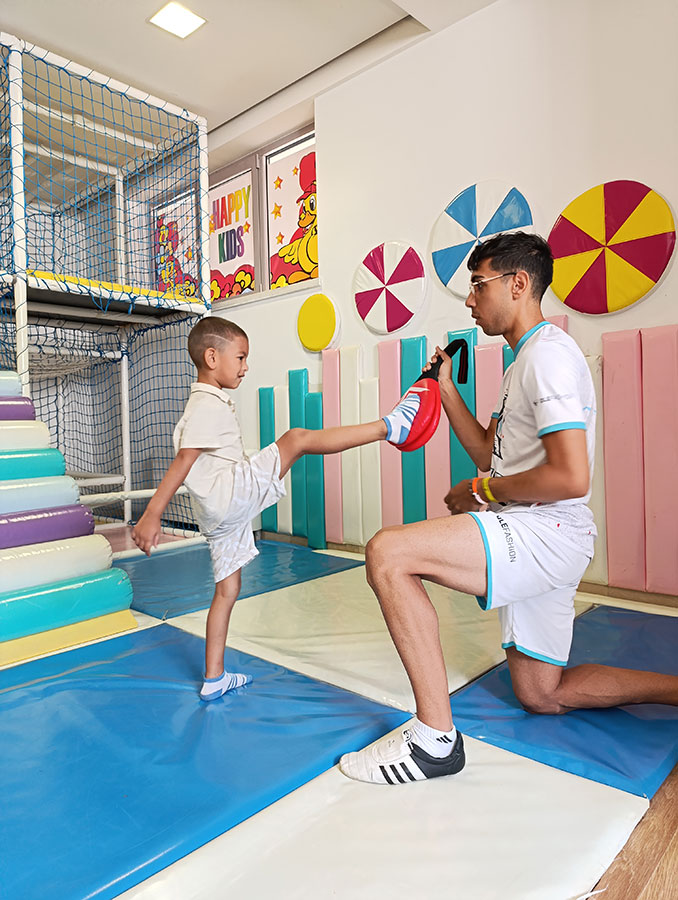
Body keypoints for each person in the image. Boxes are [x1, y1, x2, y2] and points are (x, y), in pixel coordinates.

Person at [339, 231, 678, 785]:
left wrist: (482, 493)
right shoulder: (525, 363)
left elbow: (570, 476)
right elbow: (488, 453)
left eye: (478, 285)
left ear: (519, 284)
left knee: (387, 553)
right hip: (547, 530)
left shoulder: (547, 356)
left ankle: (434, 741)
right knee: (543, 694)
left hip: (545, 529)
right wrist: (446, 390)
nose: (470, 301)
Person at [132, 316, 422, 701]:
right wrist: (152, 513)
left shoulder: (203, 402)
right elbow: (184, 460)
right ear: (212, 358)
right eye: (240, 357)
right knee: (297, 439)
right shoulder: (205, 404)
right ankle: (390, 427)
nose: (245, 367)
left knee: (227, 590)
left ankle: (214, 676)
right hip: (227, 496)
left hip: (216, 516)